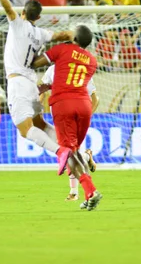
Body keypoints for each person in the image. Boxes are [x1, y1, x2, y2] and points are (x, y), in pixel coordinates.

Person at [0, 0, 74, 176]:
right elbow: (60, 36)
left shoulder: (18, 24)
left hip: (17, 82)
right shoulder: (41, 33)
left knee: (25, 130)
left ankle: (61, 151)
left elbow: (8, 8)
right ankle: (69, 147)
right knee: (40, 124)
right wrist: (75, 33)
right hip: (32, 84)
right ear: (38, 17)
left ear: (24, 13)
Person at [32, 26, 103, 211]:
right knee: (75, 153)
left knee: (69, 152)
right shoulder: (91, 60)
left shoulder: (62, 51)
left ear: (75, 37)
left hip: (64, 106)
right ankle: (88, 192)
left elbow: (34, 63)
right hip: (84, 107)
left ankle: (89, 190)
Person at [38, 64, 98, 201]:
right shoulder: (52, 69)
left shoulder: (81, 71)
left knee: (70, 153)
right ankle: (87, 158)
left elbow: (95, 99)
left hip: (76, 119)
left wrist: (86, 118)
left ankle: (75, 192)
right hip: (59, 119)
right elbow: (42, 91)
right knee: (70, 154)